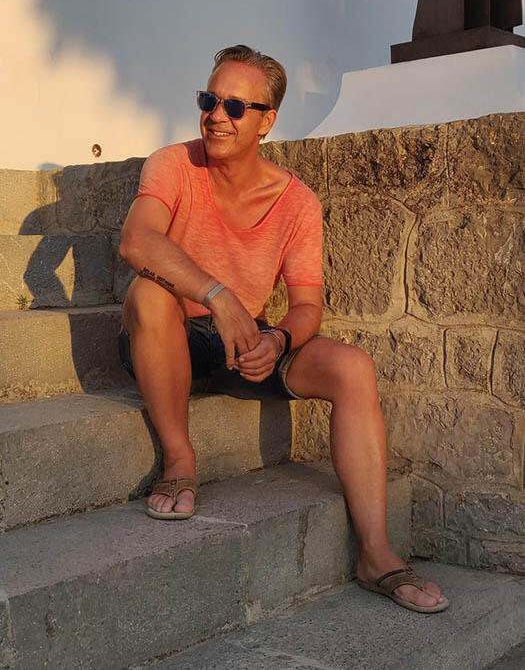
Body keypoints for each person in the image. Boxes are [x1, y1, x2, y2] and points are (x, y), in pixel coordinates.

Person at [118, 44, 448, 614]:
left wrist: (278, 340)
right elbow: (137, 241)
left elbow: (307, 307)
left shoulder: (296, 202)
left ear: (267, 121)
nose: (216, 115)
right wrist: (217, 295)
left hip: (242, 343)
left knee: (352, 367)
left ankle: (375, 553)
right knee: (147, 293)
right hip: (165, 332)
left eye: (235, 106)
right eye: (209, 100)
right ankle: (179, 462)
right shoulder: (173, 164)